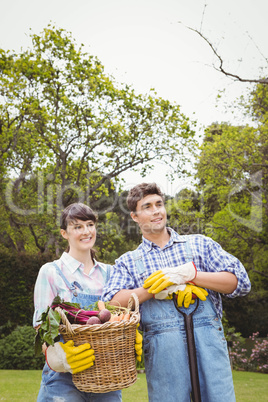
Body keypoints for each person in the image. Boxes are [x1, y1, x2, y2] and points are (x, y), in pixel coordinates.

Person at [102, 182, 251, 402]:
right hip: (164, 354)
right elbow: (112, 305)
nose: (156, 211)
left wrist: (190, 275)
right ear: (135, 216)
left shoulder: (200, 245)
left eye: (159, 204)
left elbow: (239, 282)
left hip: (209, 346)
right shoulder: (128, 262)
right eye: (147, 207)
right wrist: (152, 289)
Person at [33, 203, 142, 402]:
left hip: (106, 377)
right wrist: (62, 358)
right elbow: (42, 329)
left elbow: (119, 317)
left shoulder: (111, 273)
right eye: (77, 227)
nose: (86, 231)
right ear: (64, 233)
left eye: (90, 225)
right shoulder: (51, 272)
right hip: (62, 380)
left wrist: (131, 334)